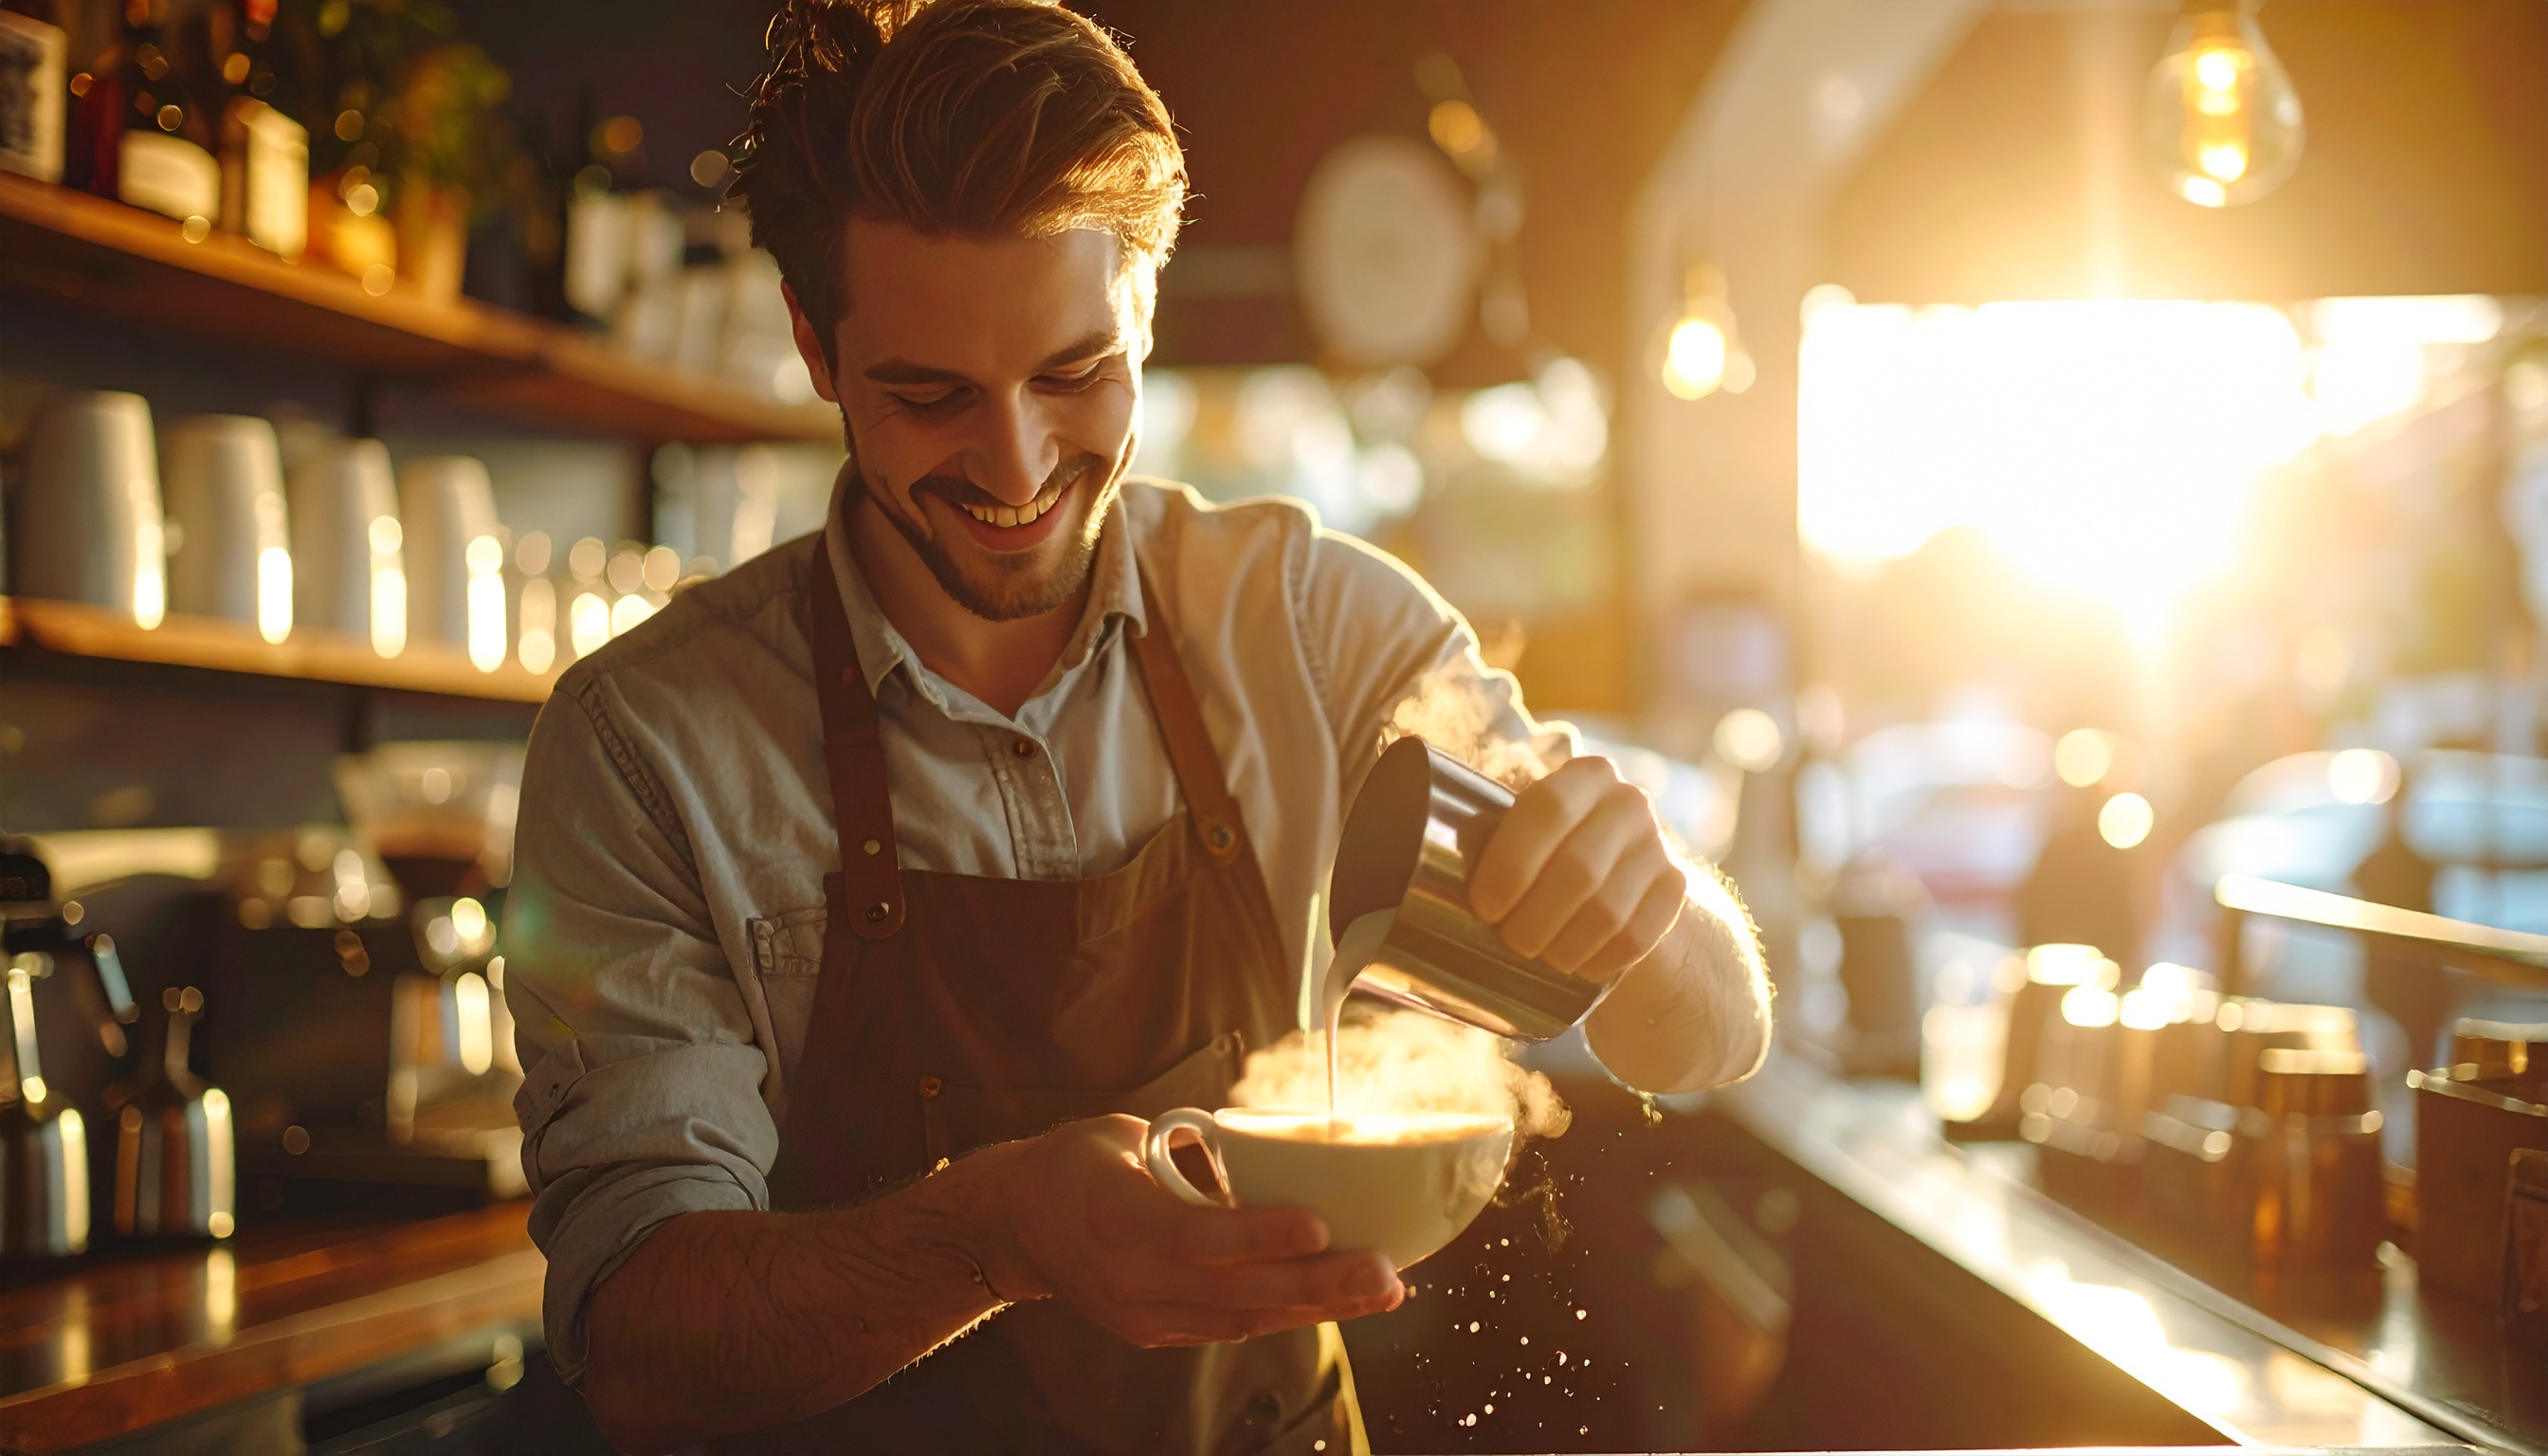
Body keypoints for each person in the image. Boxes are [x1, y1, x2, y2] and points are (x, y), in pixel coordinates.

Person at [500, 2, 1772, 1450]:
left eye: (1073, 374)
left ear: (1147, 318)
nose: (1017, 464)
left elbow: (1708, 1039)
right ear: (814, 342)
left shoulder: (1315, 626)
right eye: (930, 395)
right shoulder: (645, 746)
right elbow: (640, 1336)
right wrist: (999, 1236)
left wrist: (1648, 911)